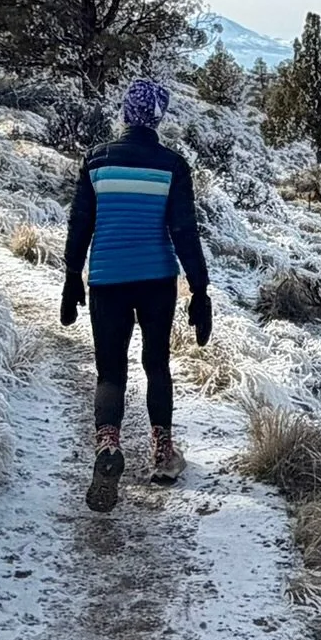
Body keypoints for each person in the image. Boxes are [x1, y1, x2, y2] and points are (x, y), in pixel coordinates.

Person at [60, 78, 213, 512]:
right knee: (157, 364)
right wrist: (199, 291)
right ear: (158, 118)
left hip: (107, 278)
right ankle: (163, 454)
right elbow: (184, 232)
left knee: (110, 373)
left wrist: (72, 276)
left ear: (126, 113)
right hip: (156, 280)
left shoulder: (97, 161)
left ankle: (108, 447)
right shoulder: (172, 165)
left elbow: (79, 225)